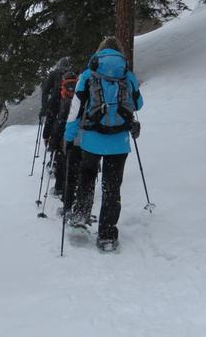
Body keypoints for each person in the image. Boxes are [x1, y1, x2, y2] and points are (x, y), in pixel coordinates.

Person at [64, 36, 143, 252]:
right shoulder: (126, 74)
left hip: (92, 139)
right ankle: (107, 235)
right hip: (119, 141)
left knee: (87, 177)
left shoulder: (89, 74)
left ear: (100, 52)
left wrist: (69, 139)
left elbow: (75, 111)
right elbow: (139, 103)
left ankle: (80, 217)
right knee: (112, 187)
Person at [46, 70, 78, 198]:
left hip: (64, 138)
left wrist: (51, 142)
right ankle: (73, 189)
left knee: (62, 162)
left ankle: (61, 189)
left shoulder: (62, 97)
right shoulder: (81, 93)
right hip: (80, 138)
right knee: (74, 165)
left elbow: (57, 121)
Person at [40, 56, 72, 149]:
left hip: (55, 101)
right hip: (68, 103)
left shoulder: (53, 74)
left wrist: (44, 106)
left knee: (51, 119)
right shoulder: (72, 75)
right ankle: (64, 140)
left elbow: (45, 91)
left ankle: (48, 140)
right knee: (64, 120)